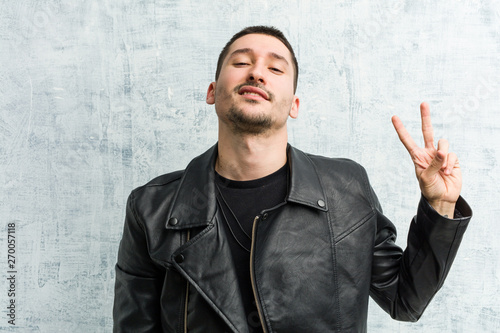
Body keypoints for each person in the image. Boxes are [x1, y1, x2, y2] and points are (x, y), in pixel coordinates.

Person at [113, 26, 472, 333]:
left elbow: (405, 299)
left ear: (294, 105)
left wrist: (440, 205)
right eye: (241, 62)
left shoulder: (347, 188)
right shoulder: (151, 208)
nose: (256, 73)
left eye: (275, 68)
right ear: (212, 91)